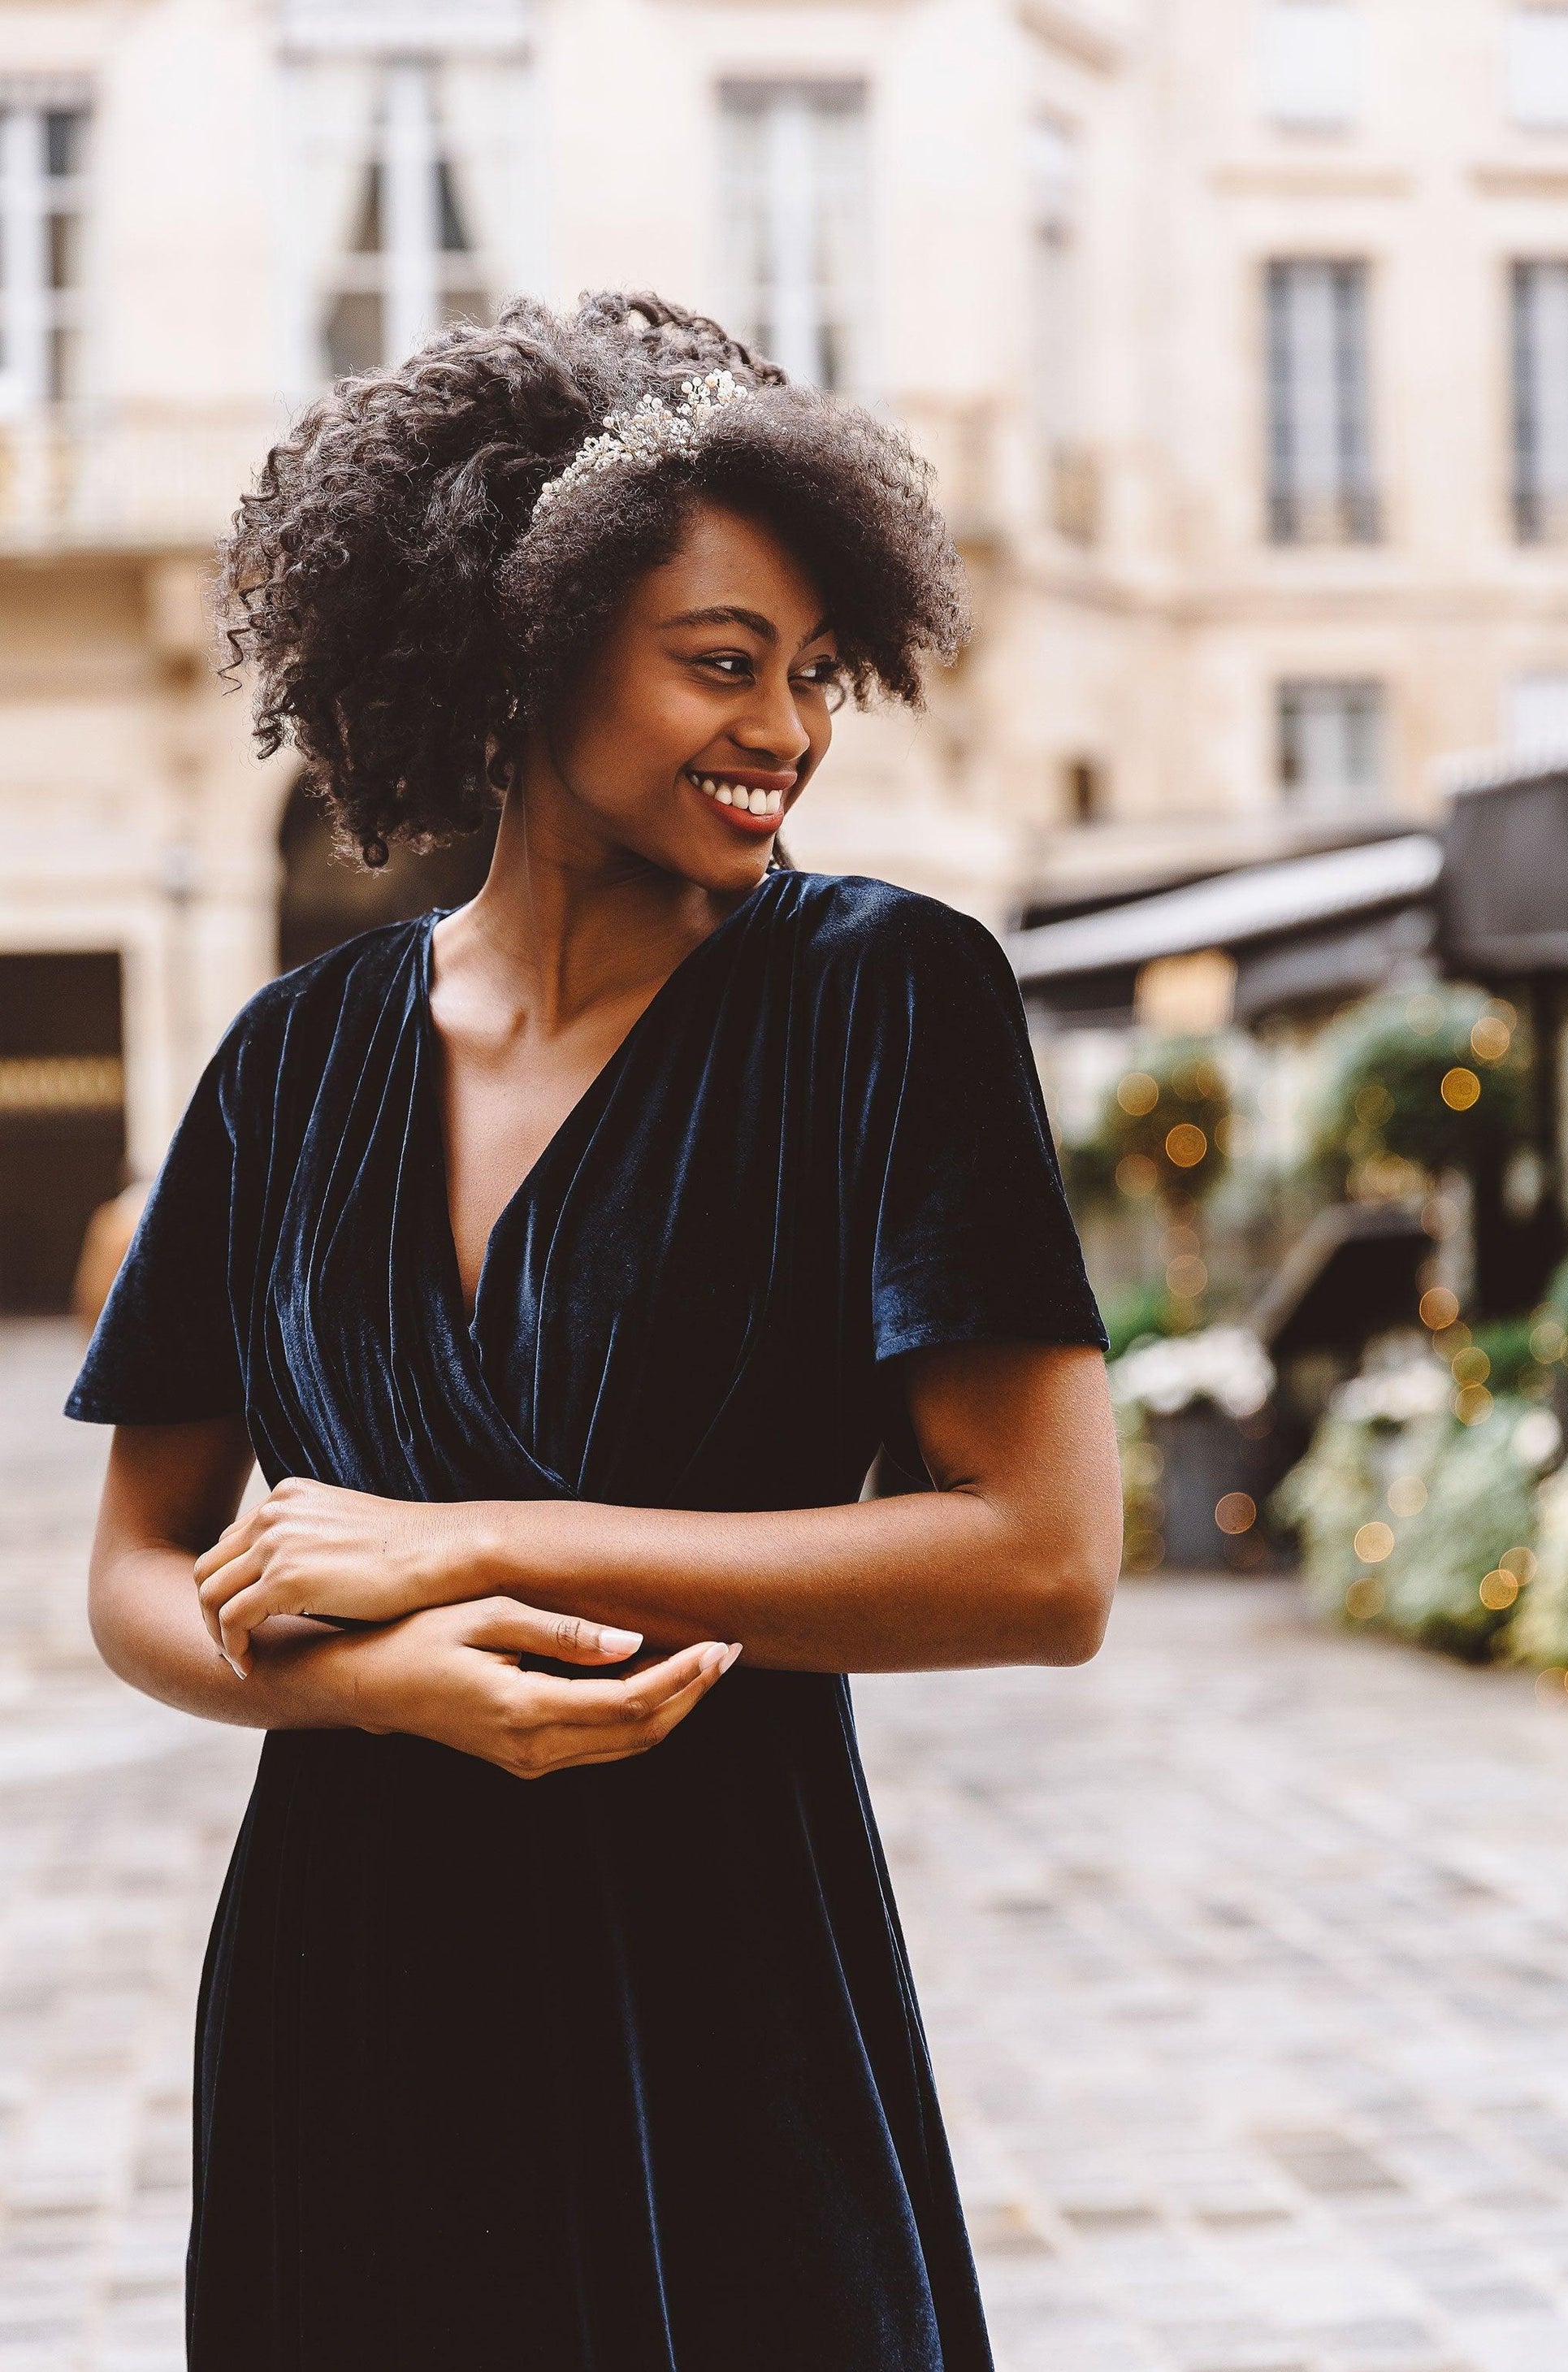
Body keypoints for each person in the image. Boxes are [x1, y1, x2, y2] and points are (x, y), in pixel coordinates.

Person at [71, 292, 1122, 2371]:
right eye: (723, 664)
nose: (788, 731)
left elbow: (1045, 1559)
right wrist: (374, 1688)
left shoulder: (886, 997)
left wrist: (479, 1540)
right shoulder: (291, 1060)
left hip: (721, 1996)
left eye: (817, 674)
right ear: (522, 643)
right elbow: (129, 1562)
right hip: (343, 2005)